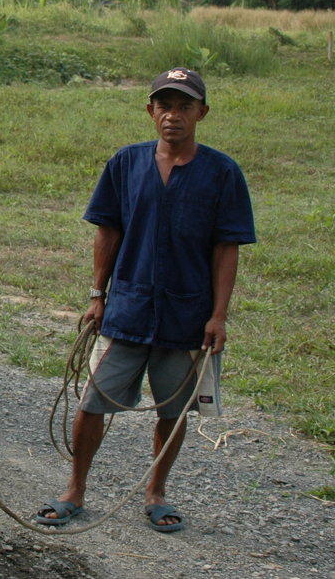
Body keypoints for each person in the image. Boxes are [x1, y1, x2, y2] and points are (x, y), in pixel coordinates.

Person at [34, 67, 255, 533]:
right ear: (151, 111)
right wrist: (98, 295)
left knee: (172, 411)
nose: (173, 115)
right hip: (127, 309)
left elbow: (226, 248)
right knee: (93, 401)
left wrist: (218, 316)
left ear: (202, 113)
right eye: (165, 105)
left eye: (184, 106)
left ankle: (156, 493)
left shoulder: (222, 173)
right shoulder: (125, 164)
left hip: (187, 315)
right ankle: (75, 488)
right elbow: (107, 232)